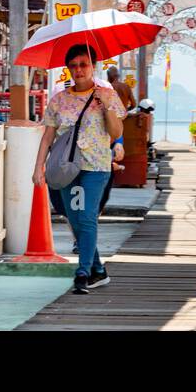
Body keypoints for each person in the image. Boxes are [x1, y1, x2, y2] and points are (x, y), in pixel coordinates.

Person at [33, 43, 125, 295]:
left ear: (93, 66)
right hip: (66, 169)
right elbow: (47, 136)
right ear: (68, 69)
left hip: (96, 166)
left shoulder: (106, 94)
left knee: (86, 217)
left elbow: (116, 133)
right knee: (74, 220)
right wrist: (38, 166)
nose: (79, 70)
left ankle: (82, 273)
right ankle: (99, 270)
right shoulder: (59, 100)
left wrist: (106, 105)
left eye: (84, 64)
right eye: (73, 66)